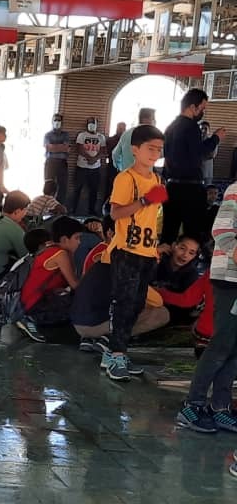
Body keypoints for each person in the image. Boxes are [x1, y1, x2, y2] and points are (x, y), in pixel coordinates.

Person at [102, 124, 168, 381]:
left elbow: (154, 217)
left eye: (159, 150)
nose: (155, 154)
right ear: (135, 150)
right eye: (151, 148)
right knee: (124, 302)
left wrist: (154, 247)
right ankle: (117, 354)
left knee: (137, 304)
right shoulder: (126, 178)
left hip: (146, 251)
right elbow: (115, 213)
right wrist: (144, 200)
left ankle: (115, 352)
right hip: (126, 250)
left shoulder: (156, 179)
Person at [177, 173, 237, 433]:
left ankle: (220, 407)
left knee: (236, 348)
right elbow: (222, 232)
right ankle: (192, 404)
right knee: (222, 344)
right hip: (230, 279)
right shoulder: (236, 191)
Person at [163, 88, 225, 244]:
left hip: (171, 186)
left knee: (169, 231)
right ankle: (189, 258)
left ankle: (165, 257)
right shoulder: (191, 127)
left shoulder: (171, 127)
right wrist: (216, 138)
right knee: (193, 233)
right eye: (202, 108)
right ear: (192, 107)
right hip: (190, 188)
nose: (203, 112)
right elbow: (199, 153)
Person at [71, 263, 169, 354]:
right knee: (162, 314)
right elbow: (158, 301)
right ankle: (110, 339)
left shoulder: (99, 265)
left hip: (78, 327)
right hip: (97, 326)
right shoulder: (128, 270)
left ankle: (90, 339)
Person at [15, 216, 84, 342]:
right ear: (64, 239)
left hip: (28, 302)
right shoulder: (60, 254)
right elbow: (75, 285)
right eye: (77, 238)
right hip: (33, 306)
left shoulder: (51, 249)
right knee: (80, 303)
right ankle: (31, 320)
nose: (79, 242)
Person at [72, 117, 106, 217]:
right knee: (77, 189)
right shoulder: (82, 135)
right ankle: (73, 210)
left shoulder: (101, 137)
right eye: (90, 123)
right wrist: (90, 158)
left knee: (94, 190)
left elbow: (103, 150)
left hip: (95, 168)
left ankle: (91, 211)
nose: (91, 125)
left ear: (96, 124)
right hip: (81, 167)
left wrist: (95, 159)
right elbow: (79, 148)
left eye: (93, 123)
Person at [112, 108, 156, 173]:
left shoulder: (126, 133)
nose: (155, 121)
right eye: (153, 119)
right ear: (145, 119)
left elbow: (115, 154)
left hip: (127, 175)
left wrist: (121, 168)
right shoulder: (152, 136)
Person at [43, 113, 70, 206]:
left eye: (59, 120)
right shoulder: (47, 135)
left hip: (62, 163)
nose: (57, 122)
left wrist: (54, 146)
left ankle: (59, 207)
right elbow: (49, 148)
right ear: (52, 121)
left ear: (62, 122)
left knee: (62, 186)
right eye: (55, 120)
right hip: (50, 163)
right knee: (48, 185)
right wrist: (61, 146)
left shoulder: (66, 134)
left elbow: (66, 148)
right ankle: (46, 206)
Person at [201, 120, 218, 186]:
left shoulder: (213, 141)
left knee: (207, 189)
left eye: (205, 129)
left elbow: (212, 155)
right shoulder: (195, 141)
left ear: (209, 131)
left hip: (207, 173)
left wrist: (197, 155)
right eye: (201, 128)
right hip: (196, 173)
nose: (203, 130)